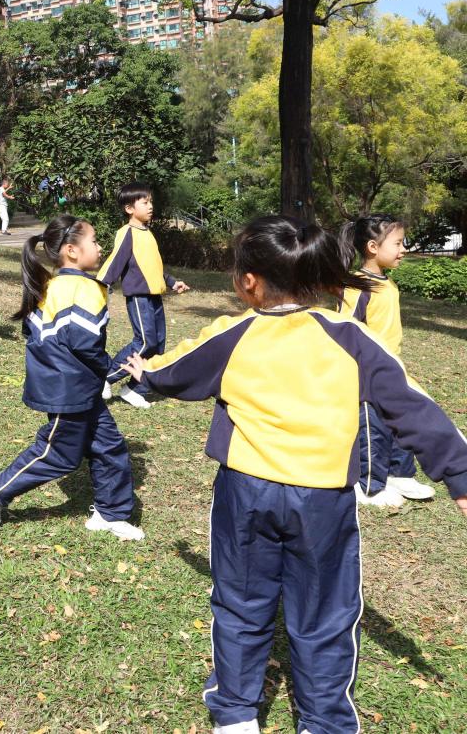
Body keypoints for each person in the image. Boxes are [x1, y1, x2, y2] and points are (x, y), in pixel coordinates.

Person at [122, 216, 467, 734]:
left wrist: (146, 375)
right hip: (322, 501)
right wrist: (459, 473)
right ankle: (324, 722)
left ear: (249, 282)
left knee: (240, 602)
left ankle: (235, 714)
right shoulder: (350, 337)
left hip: (245, 493)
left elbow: (178, 371)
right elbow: (412, 406)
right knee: (326, 614)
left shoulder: (235, 333)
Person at [0, 215, 144, 540]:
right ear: (72, 250)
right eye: (94, 241)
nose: (100, 247)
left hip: (74, 387)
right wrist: (112, 370)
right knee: (58, 454)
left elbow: (33, 333)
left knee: (109, 446)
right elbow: (86, 343)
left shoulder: (49, 286)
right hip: (70, 391)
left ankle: (110, 513)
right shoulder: (86, 289)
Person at [339, 213, 435, 508]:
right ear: (372, 247)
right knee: (374, 429)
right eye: (398, 243)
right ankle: (368, 485)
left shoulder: (388, 283)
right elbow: (344, 328)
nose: (403, 249)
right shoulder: (358, 285)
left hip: (392, 370)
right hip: (367, 373)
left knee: (401, 422)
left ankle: (400, 473)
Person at [97, 182, 189, 409]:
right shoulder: (127, 233)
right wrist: (101, 284)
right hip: (139, 297)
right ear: (129, 208)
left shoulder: (147, 233)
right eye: (145, 202)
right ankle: (107, 377)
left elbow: (153, 266)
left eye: (151, 202)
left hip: (154, 296)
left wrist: (172, 282)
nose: (150, 206)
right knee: (145, 341)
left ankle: (134, 389)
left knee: (157, 346)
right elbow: (115, 260)